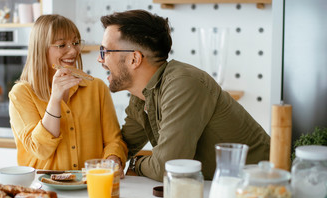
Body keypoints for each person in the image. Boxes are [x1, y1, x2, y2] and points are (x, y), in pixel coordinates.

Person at [98, 10, 270, 182]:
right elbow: (124, 145)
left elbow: (167, 167)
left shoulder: (182, 84)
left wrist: (136, 164)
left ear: (134, 59)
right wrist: (114, 158)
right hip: (222, 190)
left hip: (262, 189)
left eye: (105, 51)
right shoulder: (143, 95)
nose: (100, 59)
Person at [9, 14, 127, 175]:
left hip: (89, 186)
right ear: (41, 48)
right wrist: (55, 99)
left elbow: (114, 141)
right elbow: (40, 150)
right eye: (62, 45)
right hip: (42, 189)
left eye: (76, 43)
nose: (73, 51)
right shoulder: (21, 94)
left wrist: (113, 159)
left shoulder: (97, 88)